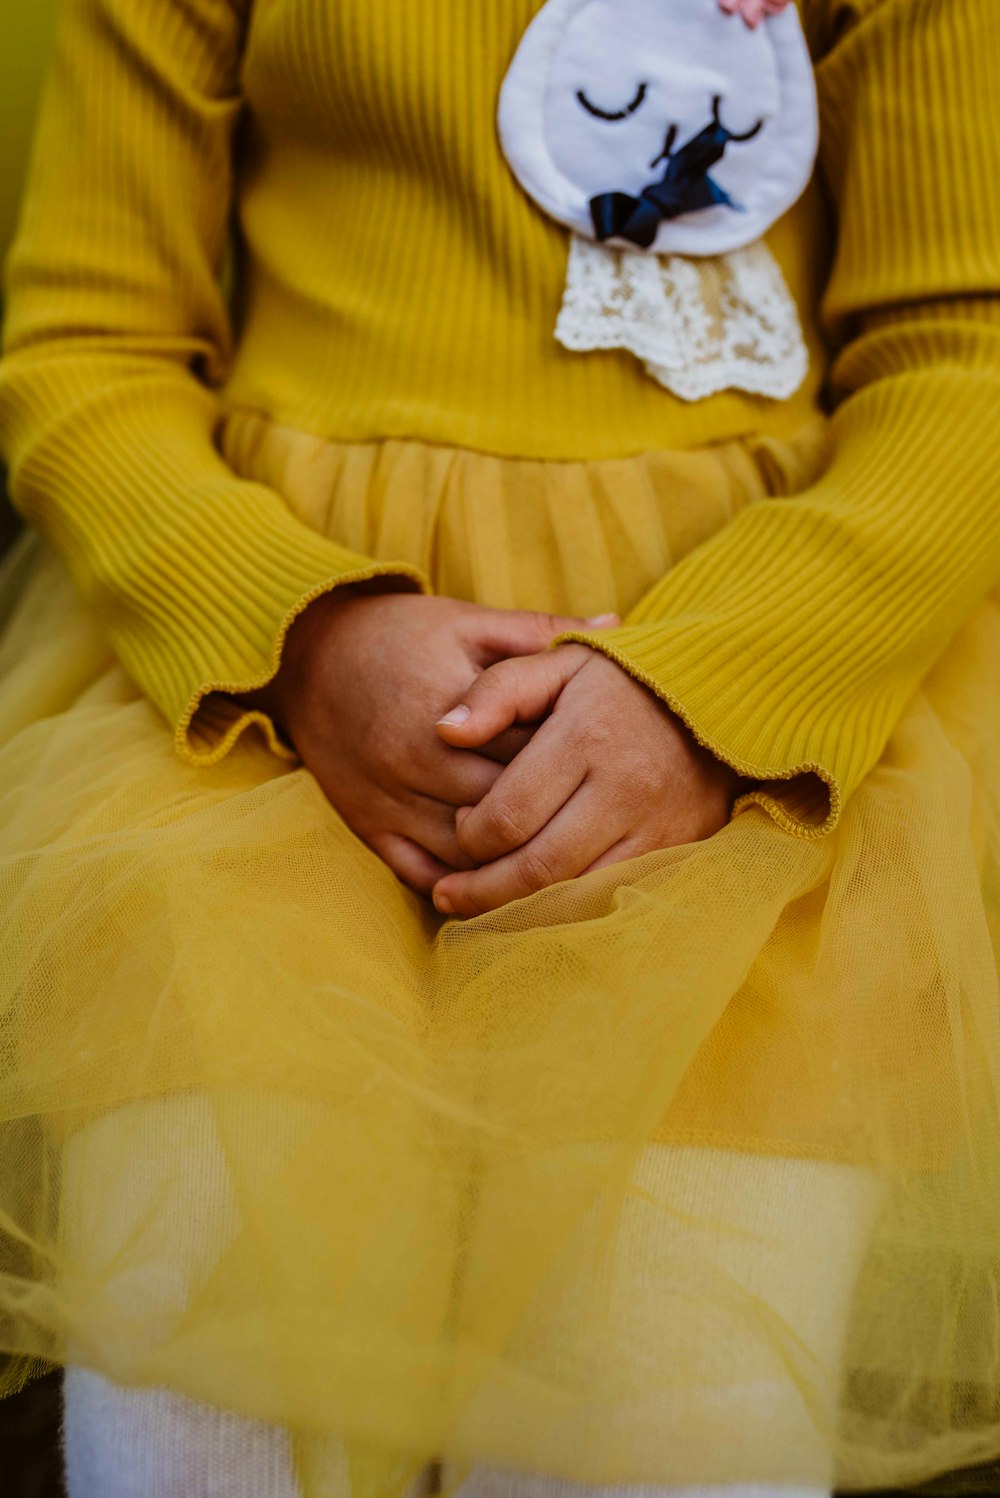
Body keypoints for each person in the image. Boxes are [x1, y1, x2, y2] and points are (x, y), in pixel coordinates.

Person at [0, 0, 999, 1495]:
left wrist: (710, 689)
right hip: (253, 712)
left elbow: (964, 357)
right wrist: (301, 633)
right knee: (205, 1376)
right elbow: (87, 340)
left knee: (663, 1397)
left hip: (752, 726)